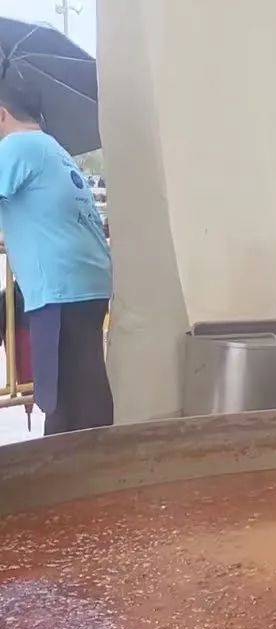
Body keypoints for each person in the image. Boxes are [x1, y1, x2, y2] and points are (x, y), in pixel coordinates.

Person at [0, 80, 113, 435]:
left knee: (65, 404)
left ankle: (70, 483)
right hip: (89, 282)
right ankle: (100, 472)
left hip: (60, 288)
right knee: (86, 394)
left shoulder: (17, 146)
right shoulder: (52, 149)